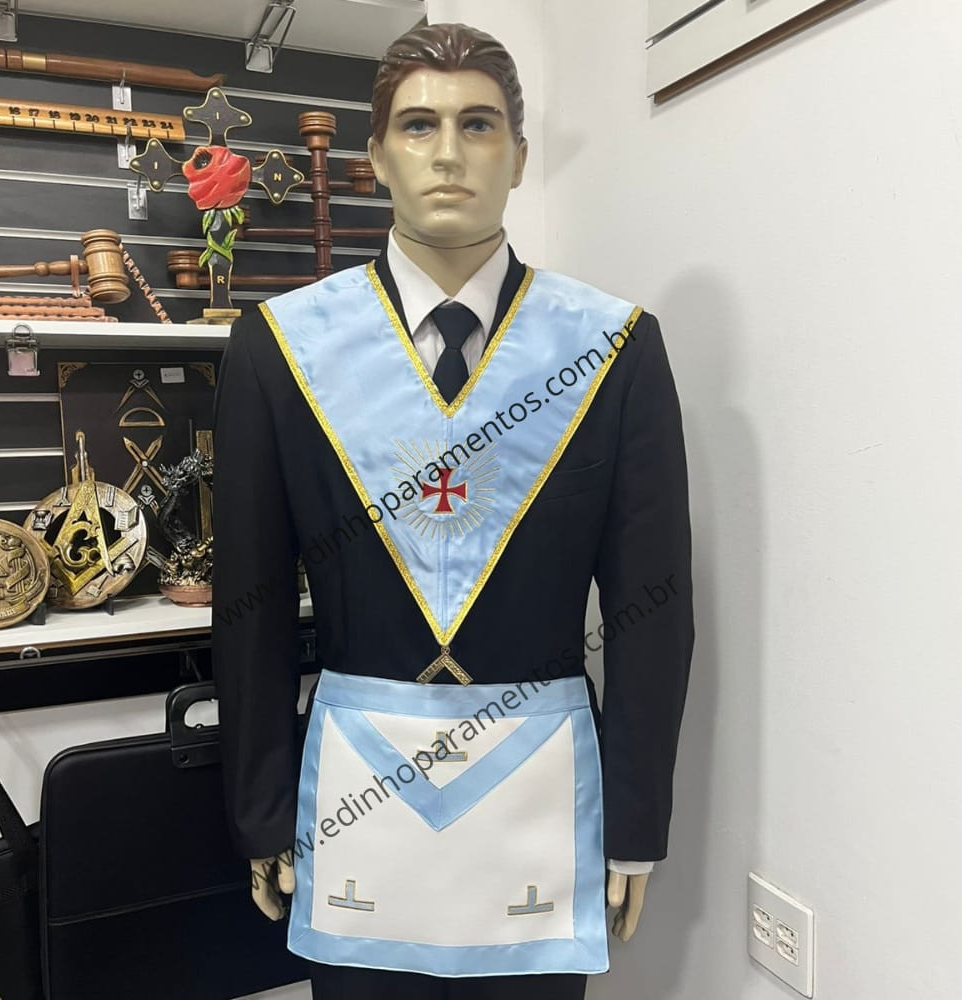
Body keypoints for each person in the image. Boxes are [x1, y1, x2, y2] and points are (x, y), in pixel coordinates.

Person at [212, 22, 694, 1000]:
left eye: (477, 124)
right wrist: (261, 811)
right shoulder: (280, 347)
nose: (446, 153)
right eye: (417, 125)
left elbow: (654, 608)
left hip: (542, 789)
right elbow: (249, 604)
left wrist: (636, 822)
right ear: (376, 156)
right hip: (355, 792)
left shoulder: (613, 347)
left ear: (517, 155)